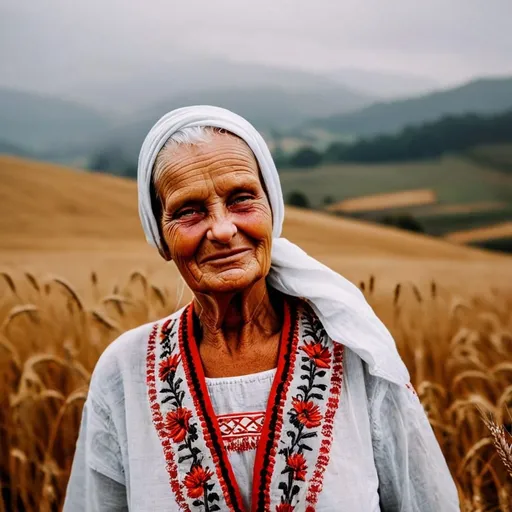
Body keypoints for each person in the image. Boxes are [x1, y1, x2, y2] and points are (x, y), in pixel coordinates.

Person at [64, 106, 459, 511]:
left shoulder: (355, 353)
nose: (221, 229)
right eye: (189, 211)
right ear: (161, 238)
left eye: (241, 200)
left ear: (273, 212)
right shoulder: (124, 372)